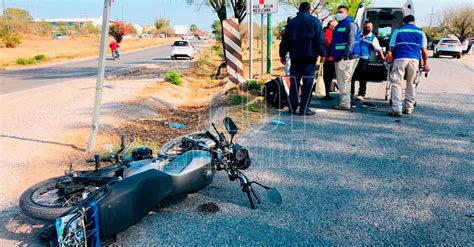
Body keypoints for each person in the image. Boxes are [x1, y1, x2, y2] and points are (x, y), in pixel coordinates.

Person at [279, 2, 326, 116]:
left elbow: (285, 41)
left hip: (295, 58)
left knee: (294, 84)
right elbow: (319, 40)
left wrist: (282, 54)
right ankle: (304, 110)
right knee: (307, 84)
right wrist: (323, 53)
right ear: (309, 9)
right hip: (309, 59)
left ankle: (292, 108)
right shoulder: (315, 21)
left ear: (299, 10)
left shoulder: (291, 23)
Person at [388, 15, 430, 117]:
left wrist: (390, 59)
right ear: (414, 22)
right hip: (414, 60)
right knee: (411, 83)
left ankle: (397, 109)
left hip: (400, 58)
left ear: (403, 22)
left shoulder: (398, 31)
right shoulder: (420, 32)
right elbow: (424, 51)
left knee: (397, 83)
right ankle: (408, 108)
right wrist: (425, 63)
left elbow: (391, 48)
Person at [330, 5, 361, 111]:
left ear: (347, 13)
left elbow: (351, 41)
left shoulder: (350, 24)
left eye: (341, 12)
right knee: (343, 80)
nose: (338, 13)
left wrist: (346, 54)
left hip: (346, 57)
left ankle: (344, 103)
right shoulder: (340, 25)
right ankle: (344, 101)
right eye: (337, 12)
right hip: (339, 56)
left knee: (344, 80)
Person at [351, 21, 385, 101]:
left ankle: (361, 94)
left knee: (362, 77)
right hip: (354, 58)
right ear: (363, 27)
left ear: (372, 28)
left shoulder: (373, 38)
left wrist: (383, 59)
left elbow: (379, 50)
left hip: (364, 60)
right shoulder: (358, 35)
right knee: (352, 76)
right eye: (366, 26)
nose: (367, 28)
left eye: (369, 27)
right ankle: (351, 93)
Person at [322, 20, 338, 100]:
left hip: (330, 58)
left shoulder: (327, 32)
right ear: (331, 26)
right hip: (330, 58)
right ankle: (326, 93)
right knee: (328, 77)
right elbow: (330, 45)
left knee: (328, 76)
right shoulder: (328, 33)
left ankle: (326, 92)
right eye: (334, 26)